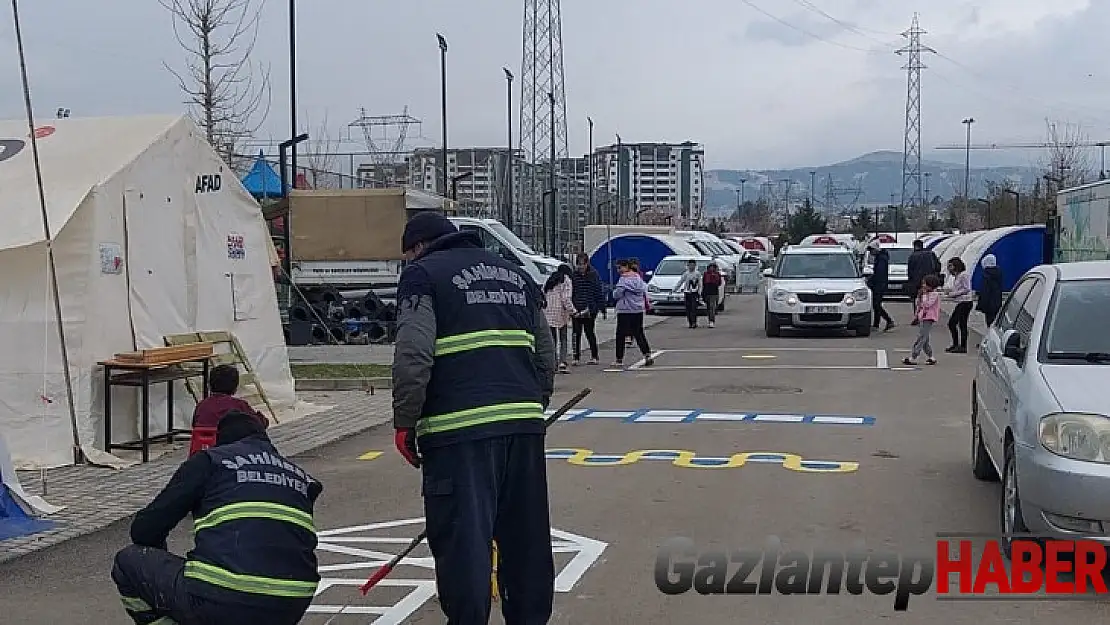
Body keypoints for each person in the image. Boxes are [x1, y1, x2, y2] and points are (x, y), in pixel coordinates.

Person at [389, 211, 557, 625]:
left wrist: (405, 421)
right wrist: (531, 405)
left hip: (457, 433)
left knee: (464, 543)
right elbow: (546, 356)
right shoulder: (516, 275)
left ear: (417, 248)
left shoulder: (422, 276)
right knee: (526, 540)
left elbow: (413, 355)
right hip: (522, 426)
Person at [111, 411, 322, 625]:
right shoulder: (300, 478)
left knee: (128, 561)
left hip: (221, 597)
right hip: (292, 603)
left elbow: (144, 530)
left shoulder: (212, 460)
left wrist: (158, 557)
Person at [191, 364, 269, 430]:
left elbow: (194, 425)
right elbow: (260, 424)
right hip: (230, 445)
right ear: (235, 388)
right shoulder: (239, 405)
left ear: (210, 385)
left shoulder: (201, 405)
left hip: (204, 445)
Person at [611, 259, 654, 368]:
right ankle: (647, 354)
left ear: (626, 267)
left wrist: (614, 293)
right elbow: (643, 290)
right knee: (639, 333)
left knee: (620, 335)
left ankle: (619, 359)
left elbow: (617, 294)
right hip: (638, 309)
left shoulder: (623, 279)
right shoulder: (638, 278)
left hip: (625, 310)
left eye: (619, 267)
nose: (618, 270)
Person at [570, 253, 605, 365]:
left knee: (589, 332)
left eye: (582, 264)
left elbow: (598, 291)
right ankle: (576, 357)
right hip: (576, 308)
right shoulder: (573, 275)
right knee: (576, 333)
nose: (580, 267)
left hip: (590, 308)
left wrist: (602, 308)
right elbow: (571, 291)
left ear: (587, 263)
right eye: (578, 264)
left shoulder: (593, 274)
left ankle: (594, 356)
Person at [903, 274, 943, 366]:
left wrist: (924, 295)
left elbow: (927, 304)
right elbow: (919, 304)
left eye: (925, 284)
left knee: (921, 337)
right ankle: (931, 357)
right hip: (923, 317)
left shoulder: (934, 294)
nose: (923, 285)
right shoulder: (924, 294)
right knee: (925, 339)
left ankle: (914, 356)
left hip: (929, 317)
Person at [543, 264, 576, 373]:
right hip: (561, 313)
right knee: (563, 339)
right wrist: (573, 311)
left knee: (552, 341)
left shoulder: (550, 280)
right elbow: (566, 298)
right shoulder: (566, 280)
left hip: (548, 312)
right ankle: (562, 362)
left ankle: (553, 363)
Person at [907, 239, 942, 325]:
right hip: (930, 281)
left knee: (918, 299)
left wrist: (911, 280)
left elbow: (910, 270)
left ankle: (918, 317)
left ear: (915, 246)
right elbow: (938, 266)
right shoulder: (931, 254)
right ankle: (929, 316)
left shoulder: (912, 256)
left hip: (917, 282)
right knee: (930, 299)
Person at [943, 257, 974, 353]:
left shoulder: (964, 275)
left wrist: (953, 294)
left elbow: (966, 289)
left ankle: (962, 346)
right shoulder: (957, 276)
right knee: (956, 324)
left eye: (950, 266)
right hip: (960, 302)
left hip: (965, 302)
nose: (949, 268)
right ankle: (956, 344)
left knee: (957, 323)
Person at [866, 241, 894, 332]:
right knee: (876, 304)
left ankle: (888, 320)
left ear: (876, 249)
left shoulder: (881, 259)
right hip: (879, 284)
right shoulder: (880, 257)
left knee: (876, 305)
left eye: (871, 250)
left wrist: (870, 280)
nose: (870, 253)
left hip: (879, 285)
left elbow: (879, 274)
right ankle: (876, 324)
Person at [976, 254, 1004, 328]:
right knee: (996, 323)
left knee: (989, 323)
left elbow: (985, 291)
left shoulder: (986, 275)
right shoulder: (999, 273)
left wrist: (980, 305)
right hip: (997, 301)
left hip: (988, 304)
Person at [675, 259, 704, 329]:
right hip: (687, 292)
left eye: (693, 265)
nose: (691, 267)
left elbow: (700, 283)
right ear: (688, 266)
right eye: (690, 265)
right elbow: (680, 281)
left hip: (694, 293)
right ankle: (690, 322)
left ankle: (694, 322)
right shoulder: (686, 273)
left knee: (694, 308)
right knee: (688, 308)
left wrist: (700, 292)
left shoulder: (697, 273)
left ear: (695, 266)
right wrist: (675, 289)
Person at [701, 263, 723, 328]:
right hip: (706, 292)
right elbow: (703, 283)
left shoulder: (717, 274)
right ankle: (709, 320)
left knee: (712, 307)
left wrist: (714, 277)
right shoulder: (705, 274)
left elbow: (719, 283)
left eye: (713, 267)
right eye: (711, 267)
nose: (712, 269)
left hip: (714, 293)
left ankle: (712, 321)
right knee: (708, 308)